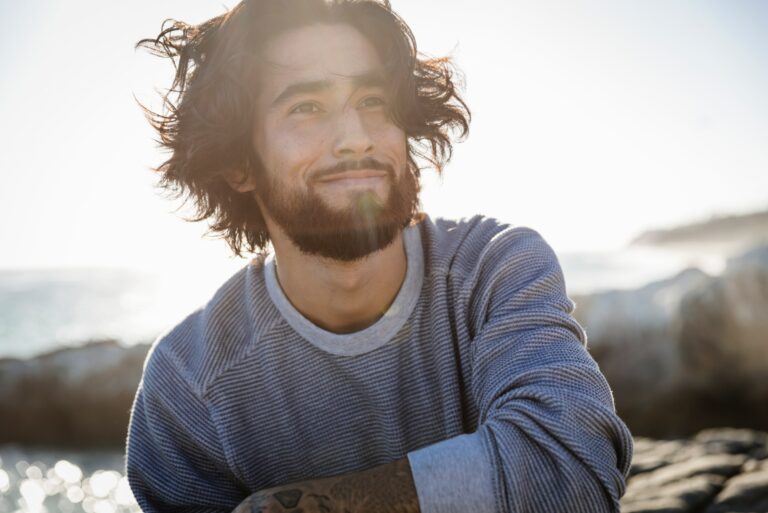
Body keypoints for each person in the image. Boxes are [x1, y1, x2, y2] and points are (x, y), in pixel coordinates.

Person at [125, 0, 634, 512]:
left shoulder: (494, 269)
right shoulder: (187, 384)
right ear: (239, 163)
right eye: (307, 107)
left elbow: (573, 470)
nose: (356, 138)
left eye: (373, 100)